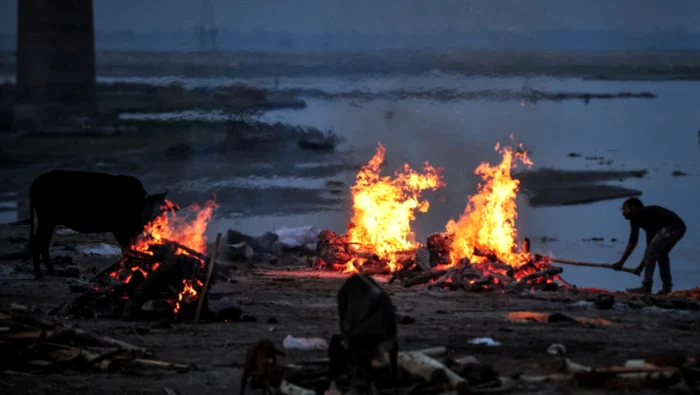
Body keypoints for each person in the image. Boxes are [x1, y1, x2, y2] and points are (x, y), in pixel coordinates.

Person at [612, 197, 686, 294]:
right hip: (680, 228)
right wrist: (641, 267)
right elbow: (649, 250)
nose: (623, 212)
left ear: (633, 207)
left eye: (625, 208)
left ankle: (646, 287)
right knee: (661, 255)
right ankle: (666, 288)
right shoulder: (648, 220)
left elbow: (633, 242)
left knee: (654, 252)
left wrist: (621, 262)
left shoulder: (636, 216)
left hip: (670, 227)